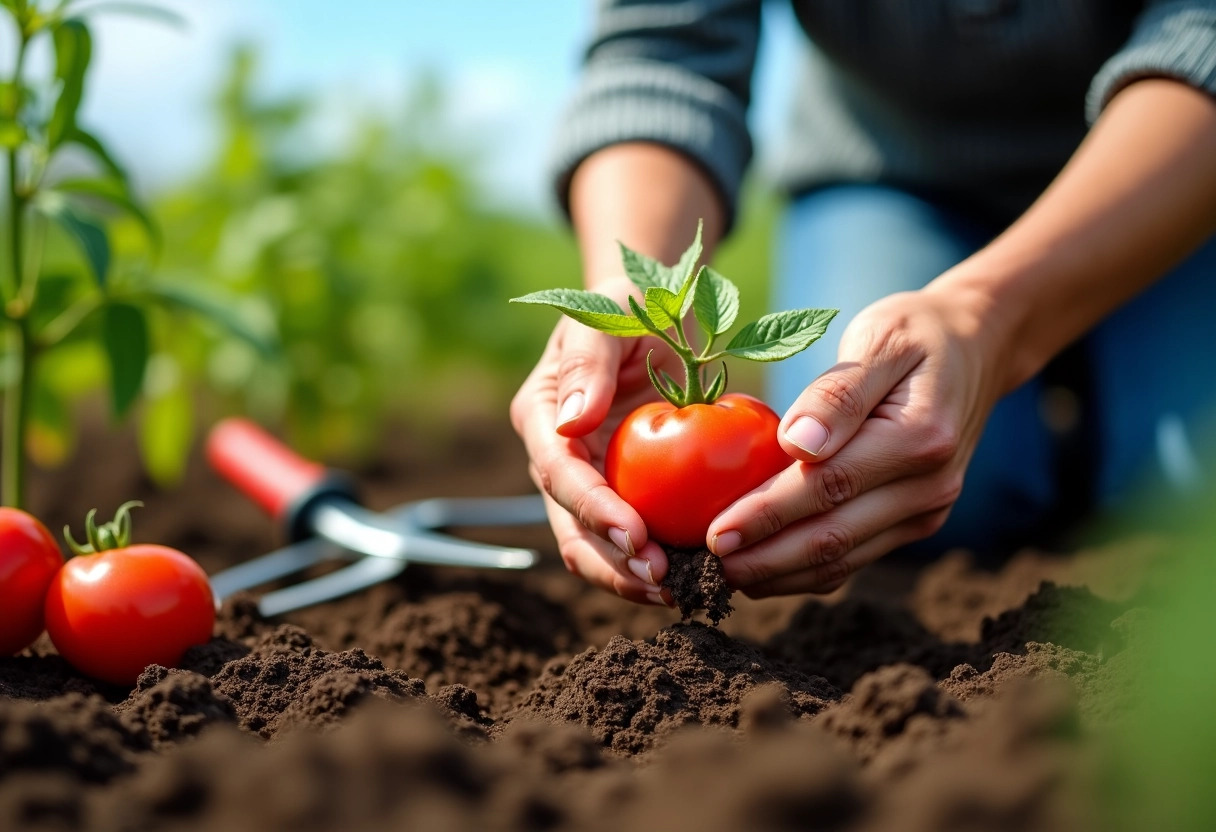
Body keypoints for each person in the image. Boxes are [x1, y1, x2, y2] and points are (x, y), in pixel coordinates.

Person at [511, 1, 1216, 606]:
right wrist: (634, 293)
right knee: (876, 469)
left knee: (1186, 495)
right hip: (889, 172)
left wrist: (988, 317)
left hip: (1180, 172)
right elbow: (660, 52)